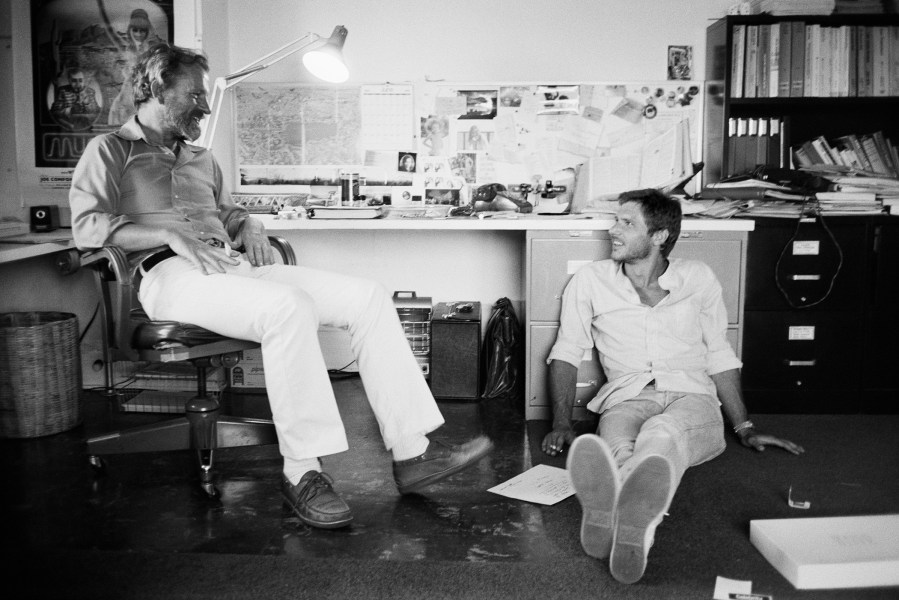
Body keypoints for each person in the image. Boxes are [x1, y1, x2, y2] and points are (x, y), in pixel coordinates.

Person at [69, 43, 492, 530]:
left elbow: (227, 214)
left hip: (230, 266)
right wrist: (168, 235)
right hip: (168, 275)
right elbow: (88, 227)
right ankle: (302, 472)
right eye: (194, 95)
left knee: (368, 297)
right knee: (288, 306)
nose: (204, 107)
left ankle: (412, 453)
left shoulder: (202, 159)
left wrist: (249, 223)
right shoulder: (110, 150)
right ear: (158, 89)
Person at [540, 188, 804, 584]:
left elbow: (719, 354)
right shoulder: (591, 280)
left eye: (627, 223)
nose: (613, 230)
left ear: (660, 236)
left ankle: (620, 517)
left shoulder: (698, 277)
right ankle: (636, 529)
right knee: (623, 446)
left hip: (692, 398)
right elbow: (567, 351)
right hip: (627, 397)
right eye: (616, 221)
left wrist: (744, 426)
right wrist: (561, 422)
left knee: (662, 432)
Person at [50, 66, 101, 130]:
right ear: (69, 80)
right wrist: (70, 110)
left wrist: (87, 103)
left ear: (84, 80)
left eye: (80, 80)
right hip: (69, 125)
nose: (78, 84)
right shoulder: (62, 91)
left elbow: (96, 111)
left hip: (86, 125)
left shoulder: (90, 91)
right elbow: (55, 112)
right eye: (74, 81)